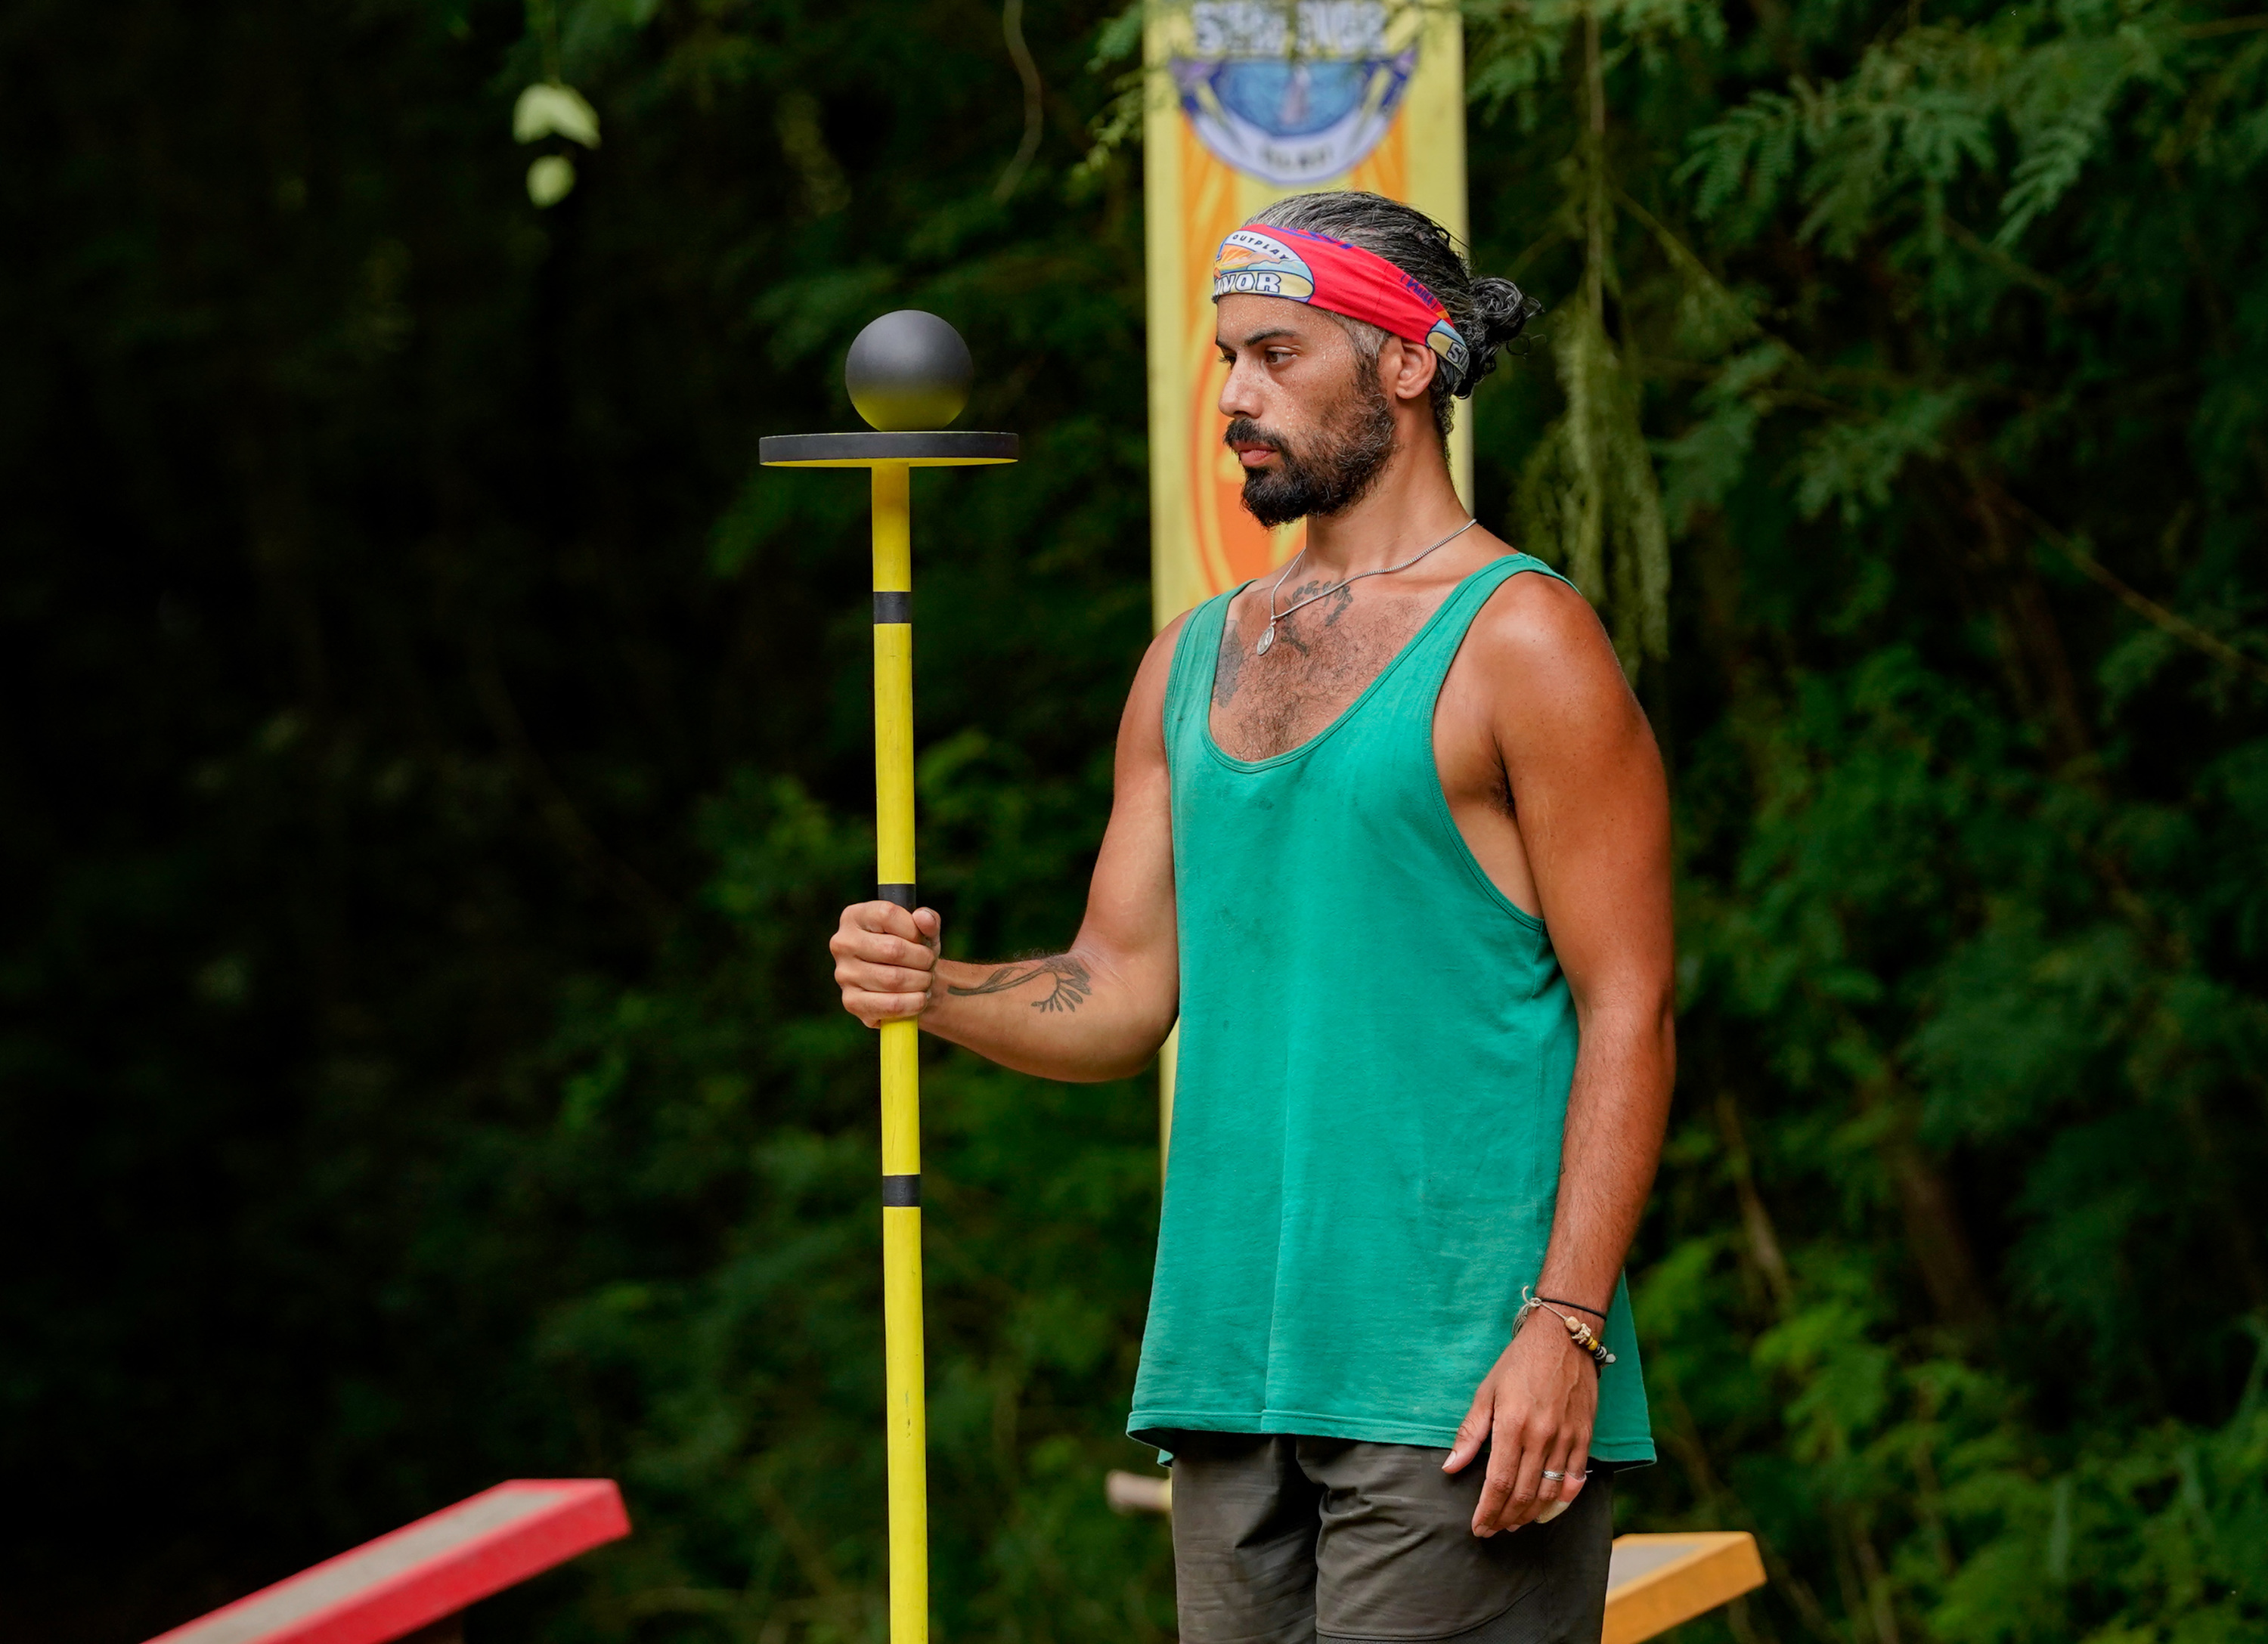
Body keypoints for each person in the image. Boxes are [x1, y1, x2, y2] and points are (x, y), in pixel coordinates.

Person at [830, 190, 1675, 1644]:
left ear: (1407, 362)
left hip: (1459, 1391)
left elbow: (1630, 1007)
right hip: (1227, 1377)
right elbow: (1117, 990)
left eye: (1278, 355)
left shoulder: (1524, 642)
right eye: (1227, 359)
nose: (1234, 397)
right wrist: (933, 989)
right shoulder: (1189, 659)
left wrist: (1565, 1327)